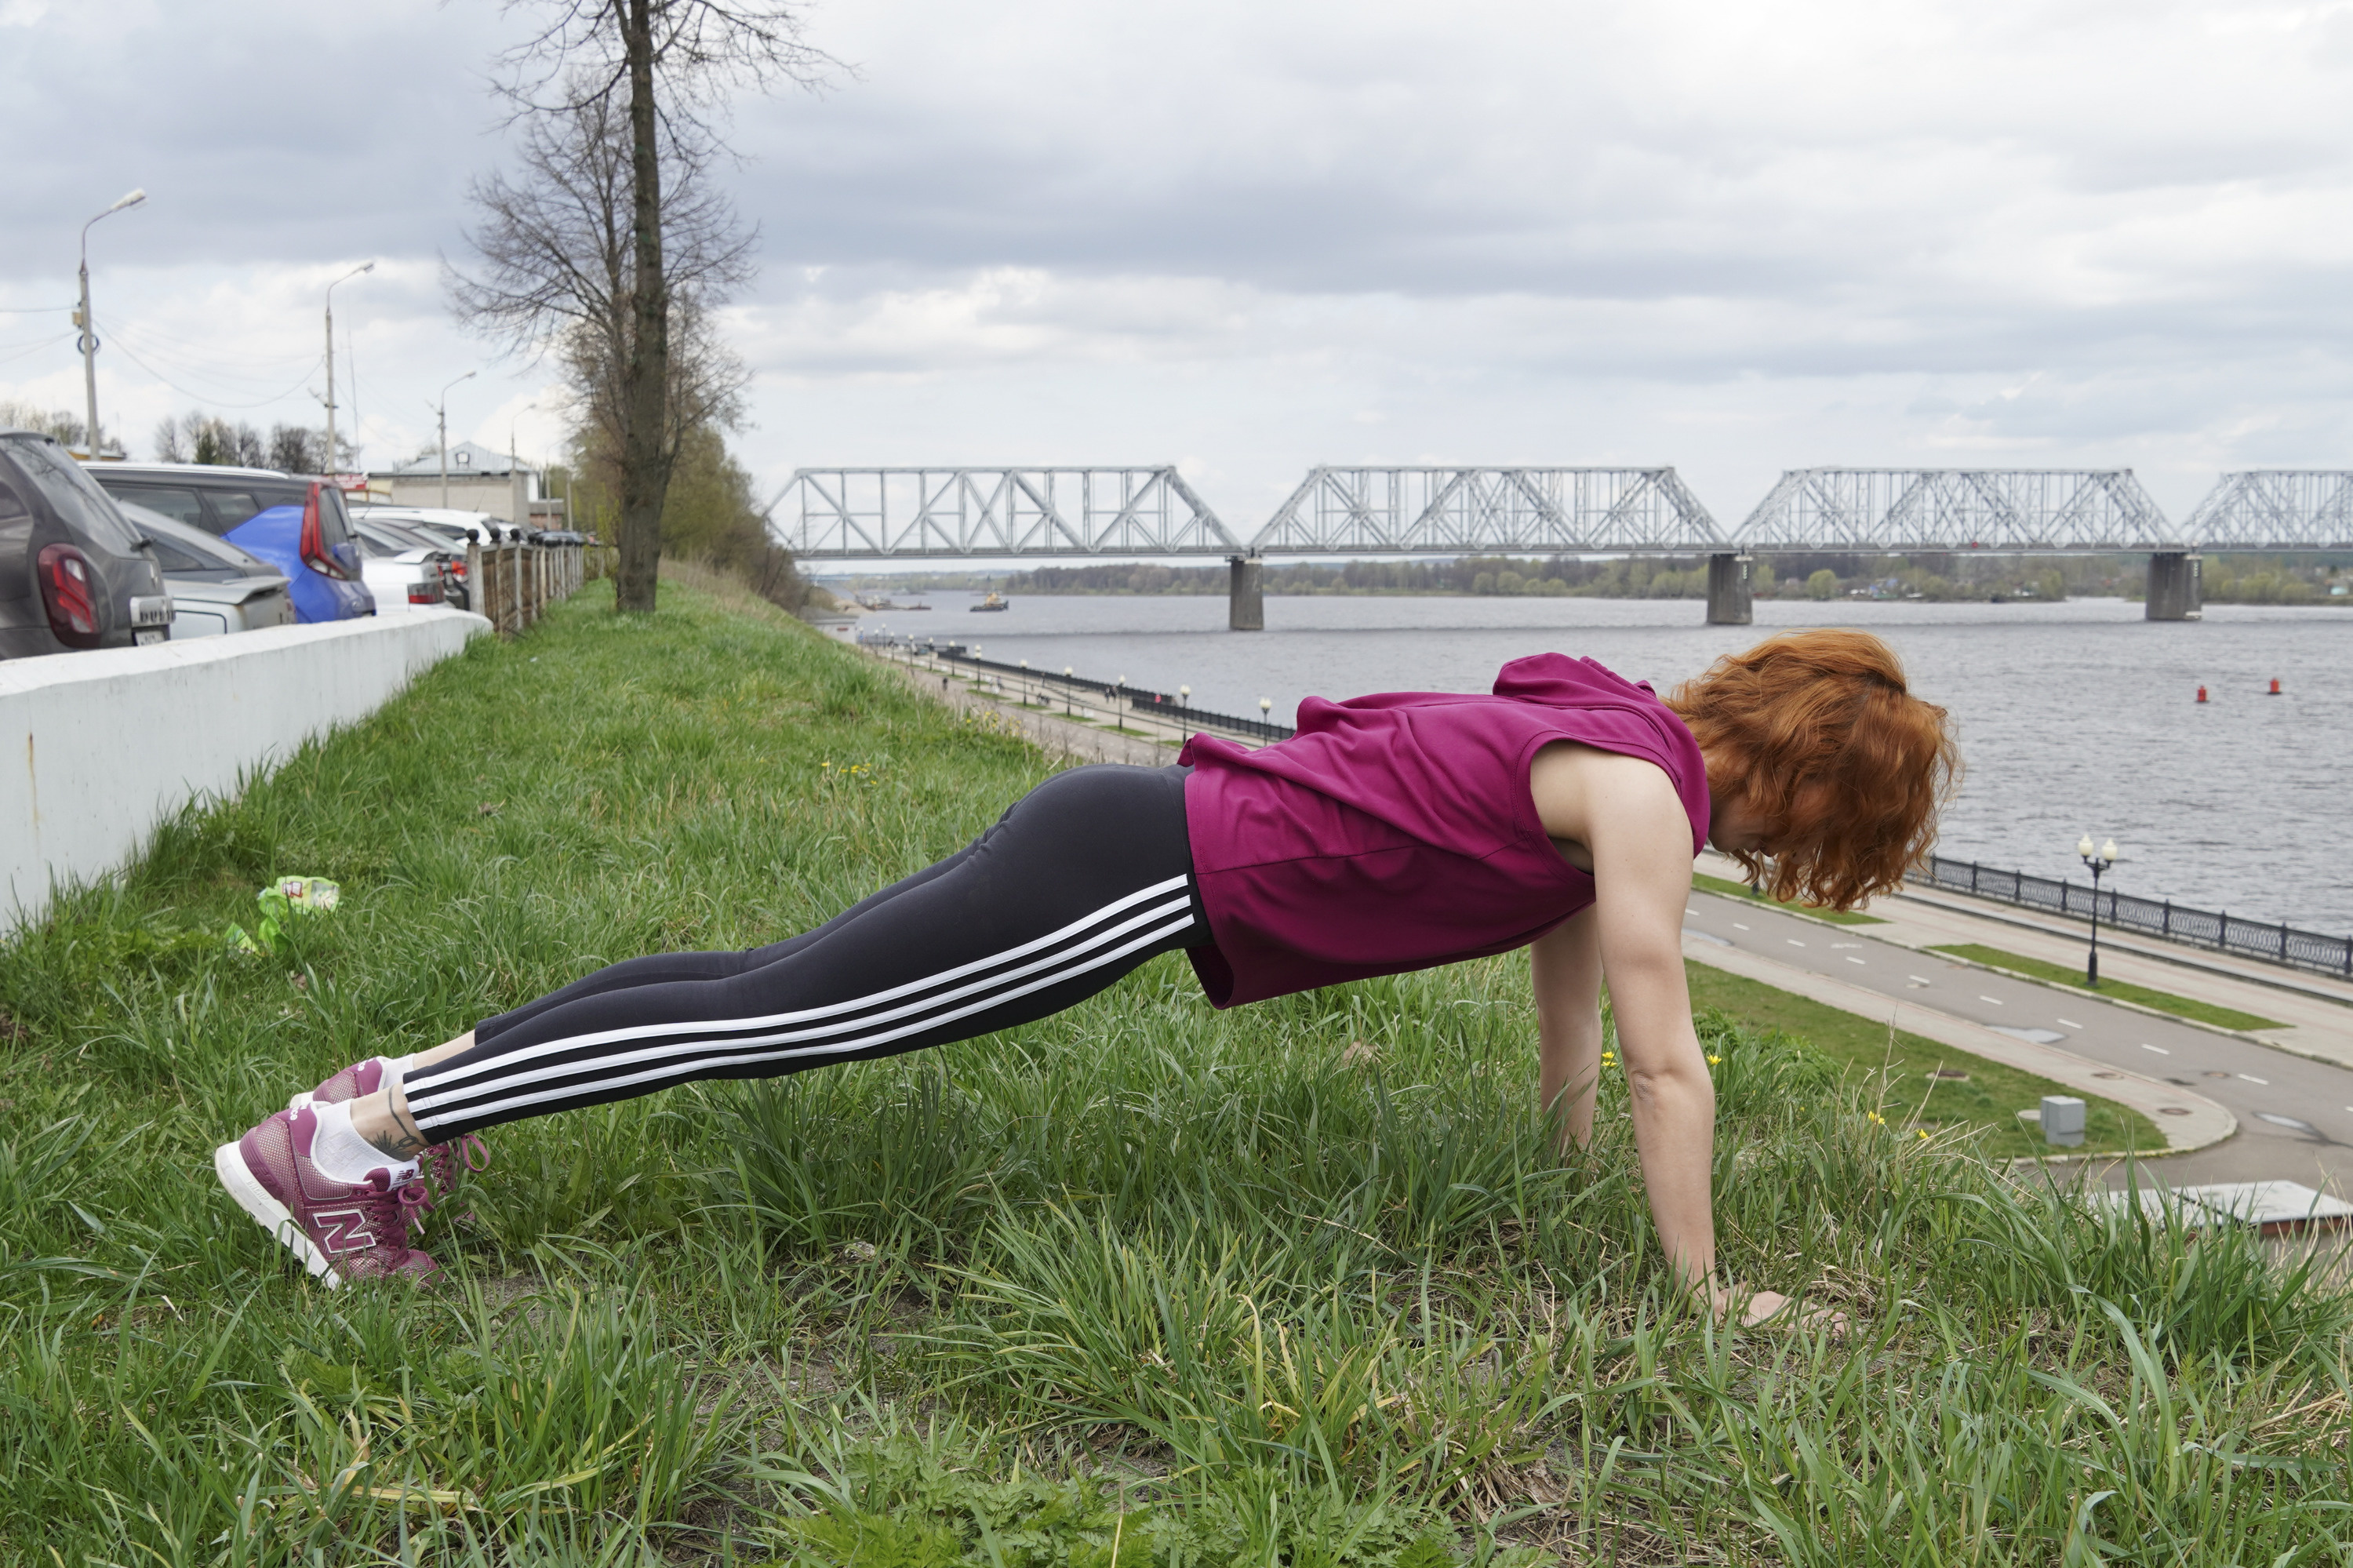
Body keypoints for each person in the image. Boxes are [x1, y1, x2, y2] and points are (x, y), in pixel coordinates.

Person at [214, 628, 1956, 1322]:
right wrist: (1704, 1289)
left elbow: (1575, 991)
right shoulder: (1647, 799)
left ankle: (396, 1097)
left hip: (1127, 828)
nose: (1806, 861)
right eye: (1841, 832)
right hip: (1137, 873)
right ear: (1811, 791)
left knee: (761, 977)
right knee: (781, 1017)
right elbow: (1671, 1055)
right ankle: (365, 1136)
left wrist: (1568, 1169)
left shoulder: (1616, 741)